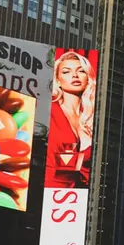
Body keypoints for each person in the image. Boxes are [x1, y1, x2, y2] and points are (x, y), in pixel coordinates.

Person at [45, 50, 96, 189]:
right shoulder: (49, 110)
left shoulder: (92, 117)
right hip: (49, 189)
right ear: (57, 80)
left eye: (81, 71)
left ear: (88, 78)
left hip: (79, 194)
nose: (75, 75)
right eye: (66, 72)